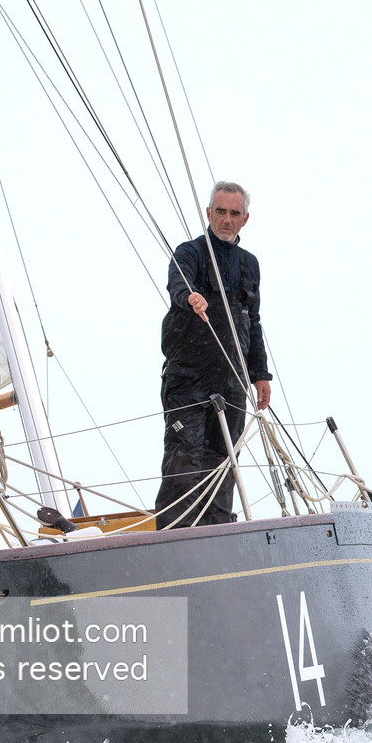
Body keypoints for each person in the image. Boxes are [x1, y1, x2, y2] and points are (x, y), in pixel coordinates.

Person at [154, 182, 273, 529]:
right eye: (220, 212)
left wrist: (260, 374)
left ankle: (217, 533)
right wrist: (190, 297)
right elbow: (178, 282)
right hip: (187, 381)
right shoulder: (190, 252)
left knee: (224, 462)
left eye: (234, 214)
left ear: (245, 219)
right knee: (183, 459)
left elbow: (253, 321)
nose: (226, 219)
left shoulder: (249, 265)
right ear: (209, 213)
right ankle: (174, 535)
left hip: (231, 382)